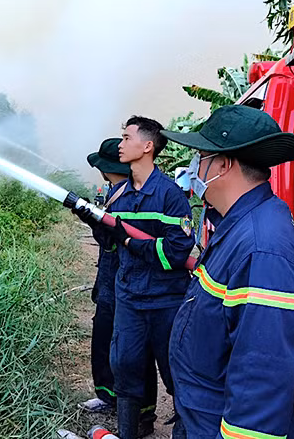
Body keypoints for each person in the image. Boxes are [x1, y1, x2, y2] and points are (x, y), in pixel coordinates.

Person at [161, 105, 294, 438]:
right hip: (204, 418)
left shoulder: (262, 247)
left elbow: (264, 378)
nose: (193, 168)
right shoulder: (241, 224)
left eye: (200, 157)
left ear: (223, 164)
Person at [77, 116, 195, 439]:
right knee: (126, 368)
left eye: (126, 138)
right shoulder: (118, 197)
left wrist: (132, 241)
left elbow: (176, 251)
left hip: (166, 301)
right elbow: (109, 244)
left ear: (147, 147)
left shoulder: (171, 196)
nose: (121, 144)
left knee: (175, 374)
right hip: (128, 299)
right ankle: (130, 432)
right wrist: (94, 221)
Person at [73, 138, 159, 437]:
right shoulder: (119, 192)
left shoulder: (127, 196)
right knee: (121, 347)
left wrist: (97, 225)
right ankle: (128, 406)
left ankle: (130, 409)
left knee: (121, 348)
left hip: (121, 283)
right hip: (116, 281)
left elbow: (116, 240)